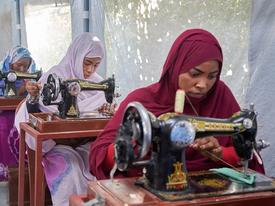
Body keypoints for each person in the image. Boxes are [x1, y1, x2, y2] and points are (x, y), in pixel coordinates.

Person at [89, 28, 265, 180]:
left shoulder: (220, 95)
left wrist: (219, 154)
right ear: (176, 67)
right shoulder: (142, 101)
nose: (203, 84)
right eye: (195, 74)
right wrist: (140, 143)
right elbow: (100, 156)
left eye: (212, 76)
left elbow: (244, 154)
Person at [15, 33, 108, 205]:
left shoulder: (98, 83)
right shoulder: (55, 76)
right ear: (76, 55)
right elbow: (38, 112)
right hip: (56, 144)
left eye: (96, 65)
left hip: (83, 141)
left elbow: (104, 106)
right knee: (70, 168)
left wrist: (106, 109)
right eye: (87, 63)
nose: (90, 70)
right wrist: (33, 97)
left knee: (100, 163)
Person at [0, 46, 37, 181]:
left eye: (25, 67)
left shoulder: (29, 79)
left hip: (22, 114)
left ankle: (25, 171)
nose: (22, 70)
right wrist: (21, 90)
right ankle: (7, 171)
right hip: (4, 114)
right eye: (19, 65)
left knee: (29, 128)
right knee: (3, 127)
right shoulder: (2, 76)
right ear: (10, 63)